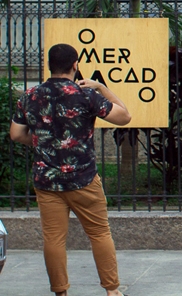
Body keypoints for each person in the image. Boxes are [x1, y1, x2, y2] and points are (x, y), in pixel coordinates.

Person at [9, 43, 131, 296]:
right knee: (98, 233)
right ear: (75, 65)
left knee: (53, 239)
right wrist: (101, 87)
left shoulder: (30, 96)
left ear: (49, 66)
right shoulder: (86, 95)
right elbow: (124, 117)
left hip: (46, 181)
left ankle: (60, 291)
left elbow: (16, 134)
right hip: (83, 179)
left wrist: (41, 142)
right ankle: (112, 290)